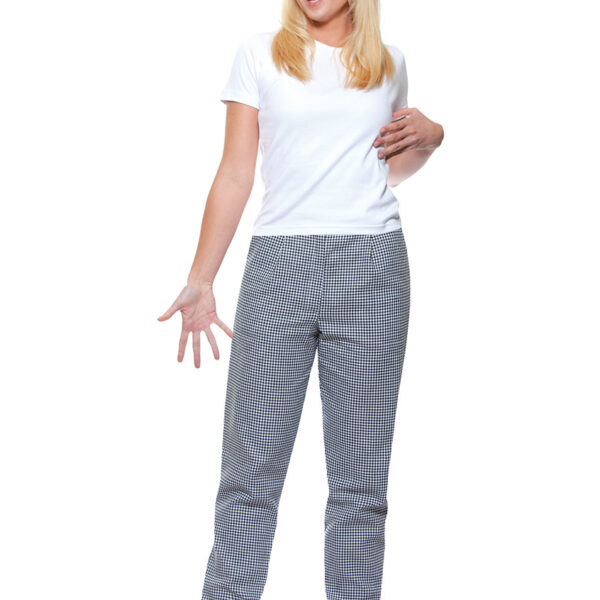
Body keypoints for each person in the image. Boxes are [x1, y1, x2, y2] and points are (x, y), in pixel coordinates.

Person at [158, 0, 444, 598]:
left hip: (372, 262)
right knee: (250, 468)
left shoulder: (390, 63)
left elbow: (383, 171)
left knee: (361, 479)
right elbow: (236, 172)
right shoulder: (259, 54)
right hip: (278, 262)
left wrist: (431, 138)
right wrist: (202, 279)